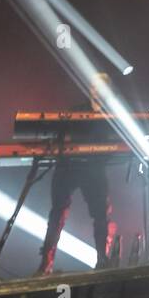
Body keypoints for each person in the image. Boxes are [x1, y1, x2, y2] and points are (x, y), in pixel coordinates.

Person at [36, 72, 116, 275]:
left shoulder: (113, 115)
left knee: (101, 214)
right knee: (57, 214)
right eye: (93, 86)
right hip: (69, 166)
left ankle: (102, 260)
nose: (96, 91)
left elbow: (114, 144)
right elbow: (59, 136)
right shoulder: (76, 112)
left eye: (101, 87)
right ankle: (45, 265)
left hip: (94, 168)